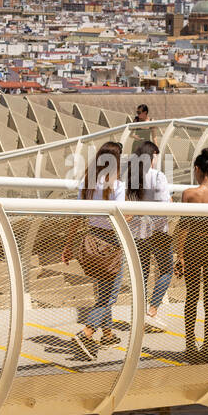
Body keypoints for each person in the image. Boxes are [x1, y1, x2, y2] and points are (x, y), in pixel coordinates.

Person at [62, 140, 126, 359]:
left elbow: (78, 215)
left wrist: (68, 245)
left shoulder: (87, 183)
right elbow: (120, 217)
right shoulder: (117, 186)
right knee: (110, 296)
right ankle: (87, 332)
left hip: (91, 241)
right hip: (112, 244)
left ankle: (107, 334)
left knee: (102, 290)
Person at [173, 147, 208, 364]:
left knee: (191, 297)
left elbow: (184, 225)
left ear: (197, 169)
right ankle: (206, 348)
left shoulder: (189, 194)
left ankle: (190, 344)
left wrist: (180, 256)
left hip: (194, 245)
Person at [125, 139, 174, 332]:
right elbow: (165, 204)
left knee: (142, 274)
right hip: (157, 232)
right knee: (166, 270)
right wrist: (170, 198)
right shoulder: (157, 176)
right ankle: (152, 311)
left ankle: (140, 314)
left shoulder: (132, 176)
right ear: (151, 156)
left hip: (138, 232)